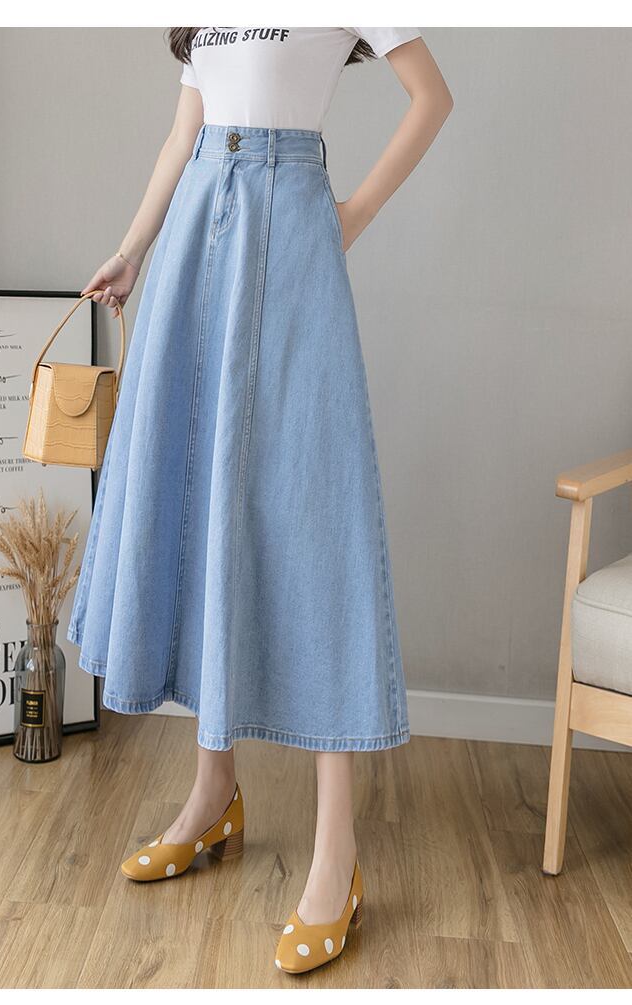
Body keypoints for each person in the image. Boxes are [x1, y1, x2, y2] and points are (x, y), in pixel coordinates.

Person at [67, 26, 453, 975]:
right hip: (198, 227)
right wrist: (132, 248)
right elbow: (185, 131)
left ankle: (336, 854)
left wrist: (350, 214)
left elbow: (432, 99)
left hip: (292, 225)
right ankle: (212, 795)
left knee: (316, 519)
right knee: (200, 504)